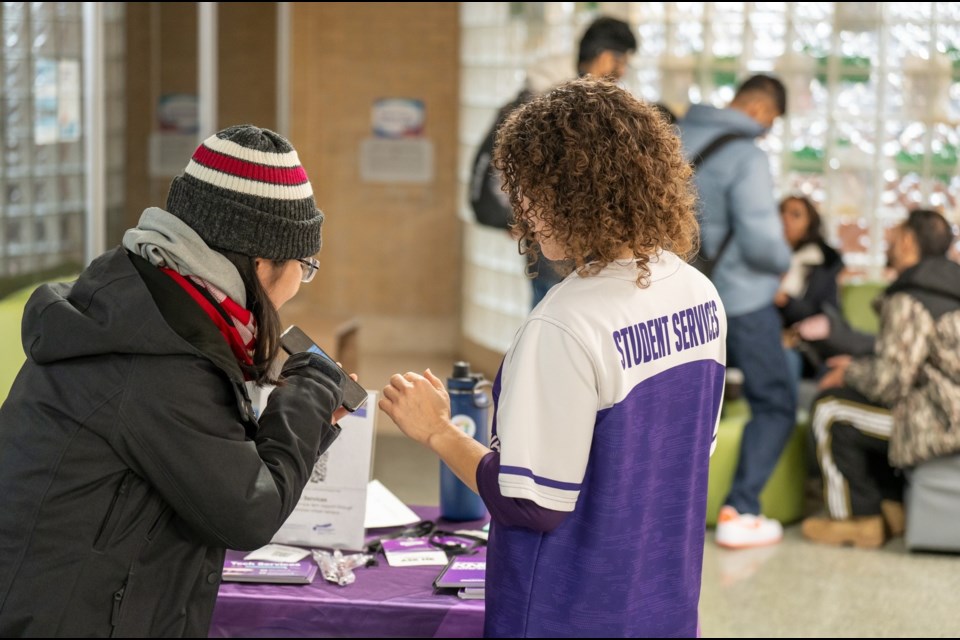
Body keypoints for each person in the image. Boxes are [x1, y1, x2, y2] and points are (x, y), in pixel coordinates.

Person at [382, 79, 726, 637]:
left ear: (579, 196)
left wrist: (437, 432)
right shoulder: (698, 294)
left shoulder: (564, 324)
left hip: (568, 611)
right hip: (663, 602)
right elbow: (683, 456)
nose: (527, 213)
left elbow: (533, 502)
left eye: (537, 194)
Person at [0, 125, 350, 637]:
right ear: (261, 261)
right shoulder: (159, 354)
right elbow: (247, 514)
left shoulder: (145, 305)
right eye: (305, 264)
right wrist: (311, 393)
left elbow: (206, 467)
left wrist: (309, 418)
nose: (301, 281)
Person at [677, 74, 795, 548]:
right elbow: (762, 240)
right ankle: (740, 509)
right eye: (772, 121)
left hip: (678, 299)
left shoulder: (675, 138)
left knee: (682, 402)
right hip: (739, 299)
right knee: (776, 399)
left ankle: (671, 510)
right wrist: (784, 264)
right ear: (763, 110)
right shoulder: (748, 156)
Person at [800, 209, 960, 548]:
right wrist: (860, 364)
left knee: (831, 409)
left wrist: (849, 370)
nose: (888, 239)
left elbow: (891, 381)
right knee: (864, 404)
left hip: (943, 421)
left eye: (895, 232)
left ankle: (856, 519)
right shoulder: (948, 289)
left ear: (907, 240)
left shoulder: (912, 296)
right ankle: (890, 505)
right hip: (949, 412)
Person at [469, 15, 637, 308]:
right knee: (559, 319)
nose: (622, 72)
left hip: (551, 241)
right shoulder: (567, 109)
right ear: (606, 58)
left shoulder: (541, 97)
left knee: (550, 318)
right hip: (563, 244)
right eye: (622, 62)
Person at [775, 195, 844, 384]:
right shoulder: (765, 258)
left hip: (805, 347)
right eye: (781, 212)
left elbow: (824, 314)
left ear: (809, 226)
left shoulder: (821, 264)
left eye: (795, 215)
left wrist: (786, 301)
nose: (785, 219)